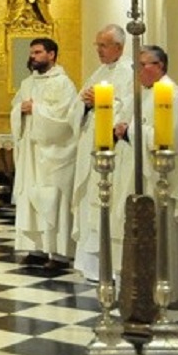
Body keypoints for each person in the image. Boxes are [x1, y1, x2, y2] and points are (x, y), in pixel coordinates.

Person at [134, 45, 178, 298]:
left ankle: (166, 289)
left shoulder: (170, 95)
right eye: (137, 66)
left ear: (160, 65)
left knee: (163, 232)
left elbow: (169, 138)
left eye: (143, 65)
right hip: (149, 175)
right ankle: (150, 287)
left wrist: (131, 131)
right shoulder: (149, 93)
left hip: (164, 178)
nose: (139, 71)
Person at [9, 37, 80, 270]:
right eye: (32, 52)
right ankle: (36, 248)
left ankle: (59, 253)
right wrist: (20, 110)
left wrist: (36, 109)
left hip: (54, 153)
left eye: (38, 52)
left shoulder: (64, 84)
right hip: (31, 152)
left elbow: (65, 117)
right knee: (30, 198)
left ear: (52, 55)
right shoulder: (27, 83)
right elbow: (16, 108)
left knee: (54, 201)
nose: (33, 57)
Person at [70, 24, 134, 282]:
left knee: (107, 202)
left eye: (103, 45)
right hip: (90, 149)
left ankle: (109, 265)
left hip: (111, 150)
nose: (98, 50)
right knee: (90, 203)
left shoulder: (129, 72)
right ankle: (91, 266)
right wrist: (85, 105)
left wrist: (103, 102)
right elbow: (76, 108)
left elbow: (128, 110)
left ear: (119, 47)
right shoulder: (98, 73)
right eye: (97, 45)